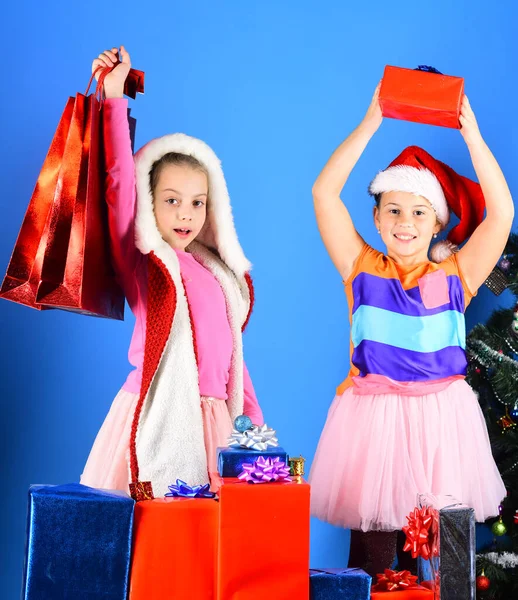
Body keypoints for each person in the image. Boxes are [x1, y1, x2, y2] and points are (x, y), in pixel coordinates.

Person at [309, 82, 511, 575]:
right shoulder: (359, 268)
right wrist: (371, 120)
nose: (406, 222)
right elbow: (323, 192)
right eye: (394, 211)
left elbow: (501, 213)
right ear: (376, 219)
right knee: (377, 563)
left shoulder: (455, 277)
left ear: (436, 223)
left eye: (419, 212)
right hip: (373, 424)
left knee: (449, 560)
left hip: (443, 426)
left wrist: (473, 138)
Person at [81, 46, 263, 497]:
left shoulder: (219, 275)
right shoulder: (146, 264)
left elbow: (234, 362)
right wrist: (114, 96)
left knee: (210, 545)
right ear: (149, 203)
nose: (186, 214)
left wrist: (255, 432)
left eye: (197, 202)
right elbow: (119, 188)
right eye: (171, 200)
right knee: (159, 538)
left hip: (216, 424)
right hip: (161, 416)